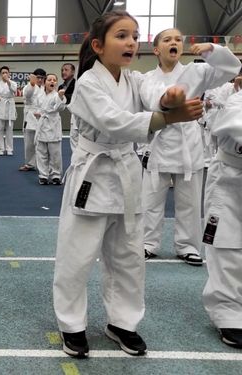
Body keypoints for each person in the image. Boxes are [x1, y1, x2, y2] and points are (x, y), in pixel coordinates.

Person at [53, 10, 204, 359]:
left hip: (126, 174)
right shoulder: (88, 82)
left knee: (129, 256)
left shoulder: (135, 80)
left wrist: (169, 101)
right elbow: (115, 122)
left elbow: (156, 93)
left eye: (135, 36)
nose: (131, 42)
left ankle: (123, 321)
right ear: (98, 45)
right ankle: (72, 324)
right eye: (121, 35)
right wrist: (168, 118)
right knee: (77, 257)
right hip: (93, 175)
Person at [140, 28, 240, 266]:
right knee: (150, 200)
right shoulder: (147, 79)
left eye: (177, 39)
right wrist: (169, 100)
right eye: (167, 40)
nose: (174, 42)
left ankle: (188, 246)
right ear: (156, 49)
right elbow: (150, 99)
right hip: (160, 142)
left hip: (188, 144)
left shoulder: (196, 71)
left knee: (190, 202)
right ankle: (146, 243)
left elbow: (230, 69)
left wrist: (213, 51)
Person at [201, 89, 242, 349]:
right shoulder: (235, 100)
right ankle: (228, 312)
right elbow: (223, 123)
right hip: (230, 176)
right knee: (226, 243)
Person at [35, 73, 66, 185]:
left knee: (55, 154)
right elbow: (38, 107)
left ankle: (56, 175)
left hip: (53, 125)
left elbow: (60, 108)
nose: (52, 81)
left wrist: (61, 97)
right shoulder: (39, 95)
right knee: (41, 152)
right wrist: (38, 113)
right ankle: (43, 175)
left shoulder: (58, 95)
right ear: (45, 82)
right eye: (49, 80)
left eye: (54, 80)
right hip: (42, 125)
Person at [19, 69, 46, 171]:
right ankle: (30, 164)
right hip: (30, 117)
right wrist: (31, 83)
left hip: (42, 117)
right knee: (29, 143)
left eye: (42, 78)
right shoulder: (28, 87)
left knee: (42, 143)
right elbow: (28, 95)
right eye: (37, 77)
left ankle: (42, 164)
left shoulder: (45, 89)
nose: (39, 79)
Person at [0, 66, 17, 156]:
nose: (5, 74)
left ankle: (9, 149)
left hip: (10, 106)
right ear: (0, 74)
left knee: (9, 131)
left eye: (6, 72)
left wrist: (8, 81)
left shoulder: (13, 83)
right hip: (1, 107)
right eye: (3, 73)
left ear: (9, 73)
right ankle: (0, 149)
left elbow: (13, 90)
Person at [59, 63, 78, 151]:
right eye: (62, 70)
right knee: (73, 139)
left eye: (66, 70)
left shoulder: (77, 84)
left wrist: (63, 96)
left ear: (73, 72)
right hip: (67, 114)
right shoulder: (60, 87)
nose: (63, 72)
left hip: (78, 114)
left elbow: (72, 98)